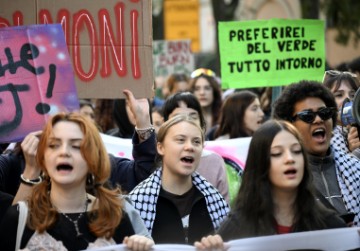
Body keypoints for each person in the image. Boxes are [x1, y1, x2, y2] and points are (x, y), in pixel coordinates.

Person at [0, 112, 154, 251]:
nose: (64, 152)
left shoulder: (115, 216)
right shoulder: (19, 217)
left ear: (93, 158)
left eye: (76, 146)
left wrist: (141, 248)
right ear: (43, 157)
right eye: (54, 145)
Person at [195, 120, 346, 250]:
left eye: (296, 151)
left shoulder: (328, 224)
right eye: (277, 153)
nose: (289, 159)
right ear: (260, 163)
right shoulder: (238, 228)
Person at [128, 115, 229, 244]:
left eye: (197, 142)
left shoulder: (215, 201)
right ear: (160, 147)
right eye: (181, 140)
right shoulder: (137, 201)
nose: (190, 147)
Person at [272, 80, 360, 226]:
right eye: (307, 116)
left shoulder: (355, 168)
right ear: (289, 125)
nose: (319, 119)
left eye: (324, 113)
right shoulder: (279, 179)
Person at [162, 92, 229, 202]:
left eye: (193, 116)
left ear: (202, 124)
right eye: (178, 117)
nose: (187, 122)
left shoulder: (214, 161)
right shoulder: (157, 159)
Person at [323, 70, 360, 158]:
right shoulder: (330, 136)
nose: (348, 99)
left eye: (353, 95)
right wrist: (354, 153)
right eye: (339, 95)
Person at [190, 68, 222, 133]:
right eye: (197, 89)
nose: (202, 93)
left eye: (207, 88)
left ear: (214, 92)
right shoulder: (186, 118)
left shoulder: (224, 117)